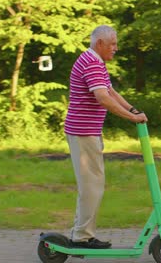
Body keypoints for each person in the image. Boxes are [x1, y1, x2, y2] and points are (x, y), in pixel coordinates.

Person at [64, 25, 148, 249]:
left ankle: (82, 234)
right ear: (99, 43)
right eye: (112, 44)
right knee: (91, 185)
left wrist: (133, 110)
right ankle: (81, 237)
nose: (116, 48)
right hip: (83, 133)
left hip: (87, 131)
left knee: (93, 184)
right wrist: (131, 119)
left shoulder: (96, 62)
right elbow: (102, 97)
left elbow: (110, 92)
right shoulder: (91, 62)